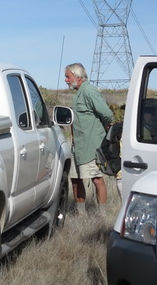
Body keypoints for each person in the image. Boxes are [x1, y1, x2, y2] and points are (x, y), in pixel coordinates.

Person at [65, 62, 113, 215]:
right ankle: (81, 215)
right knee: (75, 179)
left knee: (96, 179)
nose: (66, 80)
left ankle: (102, 215)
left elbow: (107, 114)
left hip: (91, 146)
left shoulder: (89, 91)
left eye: (68, 76)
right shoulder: (79, 93)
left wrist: (103, 129)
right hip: (78, 146)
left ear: (78, 76)